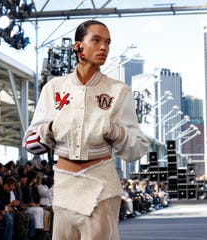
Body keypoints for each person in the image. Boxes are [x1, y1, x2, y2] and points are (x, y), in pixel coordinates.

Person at [23, 19, 148, 240]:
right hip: (63, 189)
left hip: (101, 187)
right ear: (78, 46)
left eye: (108, 43)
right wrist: (51, 128)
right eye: (96, 40)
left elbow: (137, 149)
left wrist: (115, 131)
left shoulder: (119, 91)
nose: (104, 48)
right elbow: (30, 144)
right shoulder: (53, 88)